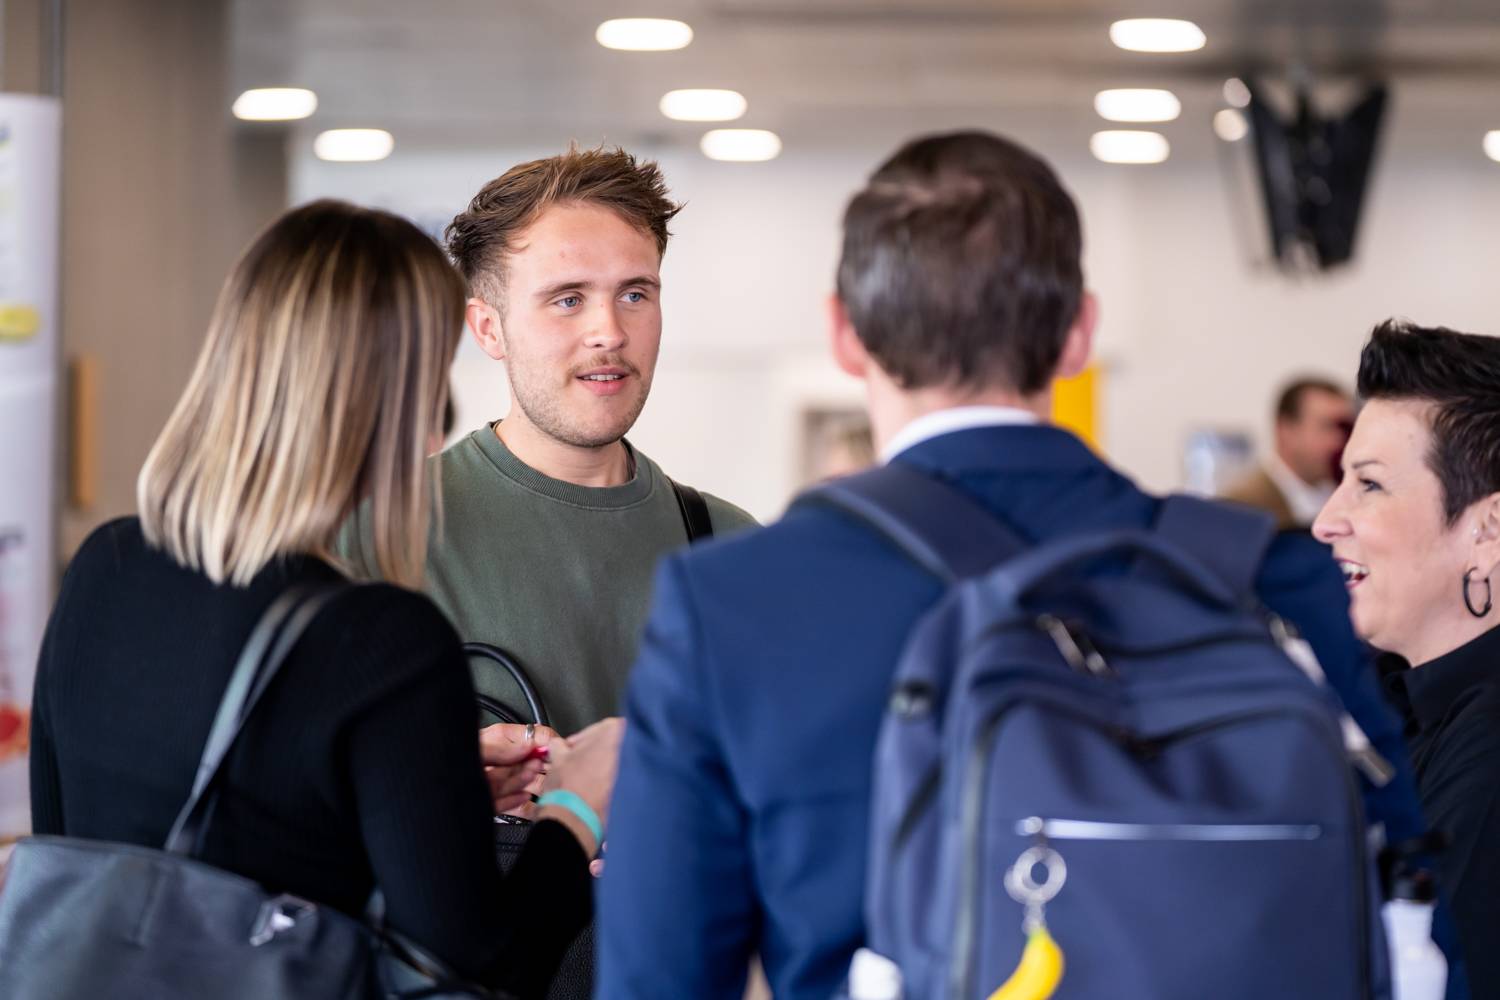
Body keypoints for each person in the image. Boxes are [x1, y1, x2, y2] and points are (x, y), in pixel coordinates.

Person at [597, 131, 1430, 1000]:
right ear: (1079, 334)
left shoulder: (732, 602)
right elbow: (1418, 916)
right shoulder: (1276, 582)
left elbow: (659, 978)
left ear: (844, 333)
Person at [29, 200, 622, 1000]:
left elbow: (77, 851)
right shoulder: (379, 639)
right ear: (402, 401)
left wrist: (432, 788)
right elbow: (480, 972)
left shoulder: (106, 567)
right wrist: (575, 811)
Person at [342, 145, 755, 737]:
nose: (609, 333)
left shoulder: (732, 547)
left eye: (635, 295)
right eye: (568, 300)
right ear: (489, 329)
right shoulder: (382, 533)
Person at [1314, 320, 1500, 997]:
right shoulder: (1389, 697)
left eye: (1369, 485)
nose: (1325, 520)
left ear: (1487, 531)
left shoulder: (1487, 751)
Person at [1223, 377, 1353, 529]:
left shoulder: (1351, 498)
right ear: (1285, 430)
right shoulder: (1239, 508)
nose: (1340, 440)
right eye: (1327, 427)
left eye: (1346, 428)